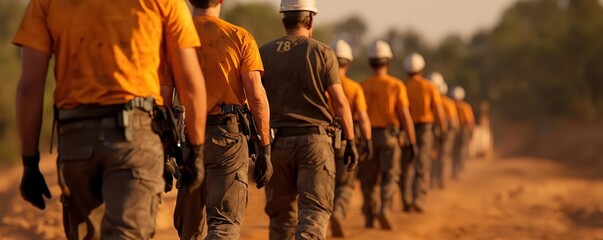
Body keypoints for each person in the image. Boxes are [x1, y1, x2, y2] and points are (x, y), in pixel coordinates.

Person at [12, 0, 208, 238]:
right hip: (136, 137)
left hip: (76, 140)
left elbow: (29, 88)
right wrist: (195, 153)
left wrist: (30, 163)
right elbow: (190, 81)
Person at [166, 0, 273, 239]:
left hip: (188, 140)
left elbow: (162, 99)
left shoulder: (171, 38)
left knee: (189, 228)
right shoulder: (240, 36)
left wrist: (164, 150)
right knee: (224, 225)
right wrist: (265, 148)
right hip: (228, 138)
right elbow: (256, 96)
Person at [260, 0, 359, 239]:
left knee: (281, 219)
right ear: (311, 20)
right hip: (315, 144)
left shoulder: (263, 53)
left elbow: (255, 99)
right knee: (313, 215)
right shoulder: (323, 52)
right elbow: (339, 101)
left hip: (277, 144)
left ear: (283, 19)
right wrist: (352, 141)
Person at [360, 40, 416, 229]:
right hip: (390, 137)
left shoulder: (364, 86)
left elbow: (357, 114)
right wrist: (412, 141)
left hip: (368, 137)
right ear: (388, 61)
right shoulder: (396, 85)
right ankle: (385, 208)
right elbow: (405, 116)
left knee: (369, 179)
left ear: (370, 62)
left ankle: (369, 215)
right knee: (390, 176)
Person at [328, 39, 373, 237]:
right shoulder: (355, 88)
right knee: (345, 184)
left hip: (322, 141)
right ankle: (338, 212)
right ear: (348, 63)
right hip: (346, 140)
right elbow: (363, 118)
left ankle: (323, 218)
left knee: (324, 182)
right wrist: (367, 141)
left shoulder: (321, 85)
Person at [400, 53, 447, 213]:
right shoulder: (430, 87)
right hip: (425, 129)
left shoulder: (403, 86)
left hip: (406, 129)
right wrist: (442, 129)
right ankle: (418, 198)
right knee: (422, 163)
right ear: (422, 68)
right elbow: (439, 110)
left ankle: (405, 199)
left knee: (406, 163)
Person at [427, 72, 459, 189]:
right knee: (442, 156)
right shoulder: (447, 103)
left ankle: (431, 180)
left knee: (431, 156)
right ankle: (440, 179)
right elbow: (454, 121)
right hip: (444, 132)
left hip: (431, 131)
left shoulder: (428, 100)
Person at [451, 86, 475, 179]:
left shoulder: (452, 105)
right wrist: (471, 132)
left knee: (457, 150)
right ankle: (458, 168)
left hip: (458, 130)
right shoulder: (465, 107)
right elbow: (470, 121)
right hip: (461, 129)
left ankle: (457, 168)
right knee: (460, 150)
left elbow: (469, 121)